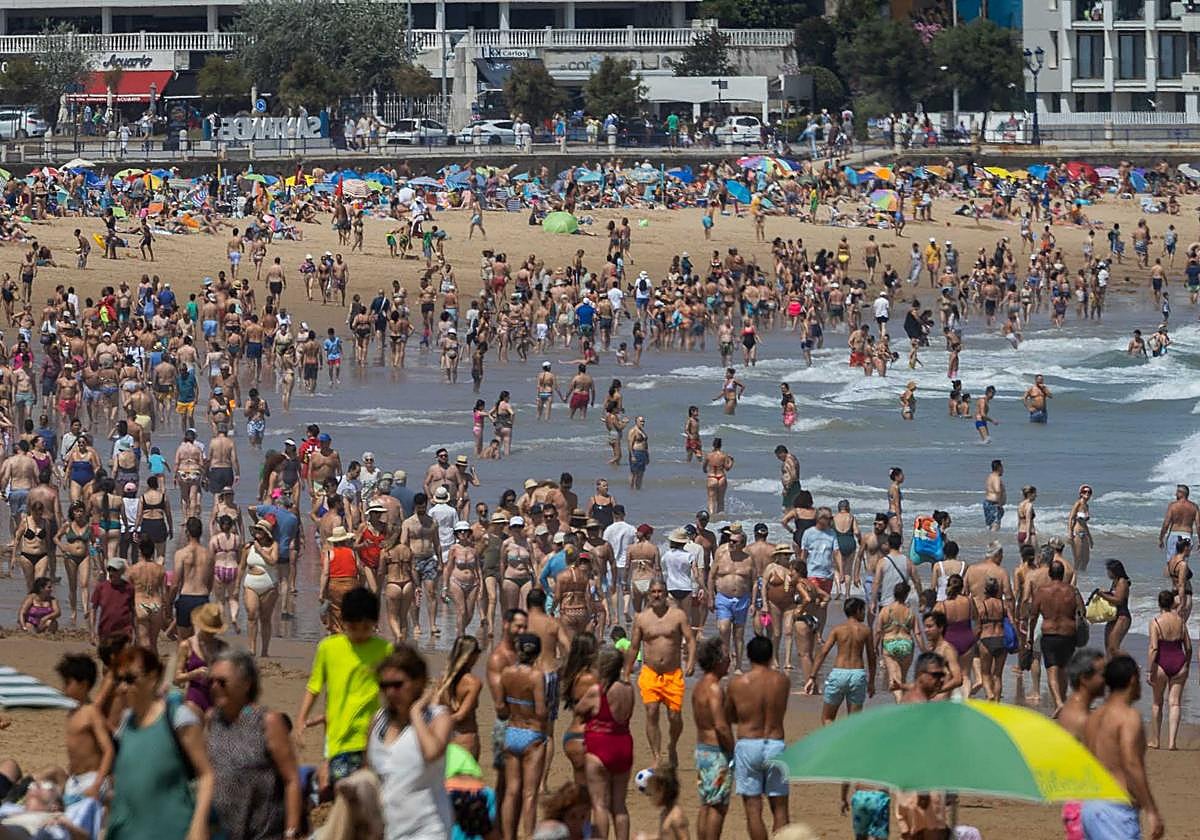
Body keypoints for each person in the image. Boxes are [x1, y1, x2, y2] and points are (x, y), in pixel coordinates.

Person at [106, 646, 215, 840]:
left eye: (130, 679)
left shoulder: (177, 718)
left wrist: (198, 827)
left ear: (153, 677)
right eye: (118, 680)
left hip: (172, 830)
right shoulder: (127, 723)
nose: (122, 688)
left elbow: (206, 775)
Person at [297, 587, 393, 790]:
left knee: (370, 791)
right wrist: (300, 720)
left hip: (373, 735)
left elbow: (395, 690)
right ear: (343, 622)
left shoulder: (385, 650)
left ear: (375, 623)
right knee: (340, 789)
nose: (359, 634)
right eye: (354, 627)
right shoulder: (328, 647)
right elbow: (314, 687)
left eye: (366, 628)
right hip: (339, 736)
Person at [208, 648, 303, 840]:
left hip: (263, 833)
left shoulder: (268, 722)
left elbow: (291, 779)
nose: (214, 687)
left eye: (222, 682)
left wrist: (291, 831)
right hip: (221, 833)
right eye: (211, 681)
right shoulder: (213, 719)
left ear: (246, 684)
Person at [369, 645, 456, 840]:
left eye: (398, 685)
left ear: (419, 682)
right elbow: (370, 775)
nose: (390, 692)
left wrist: (415, 713)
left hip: (429, 828)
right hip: (388, 828)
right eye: (384, 686)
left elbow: (432, 753)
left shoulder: (438, 718)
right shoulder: (378, 720)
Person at [1082, 655, 1165, 839]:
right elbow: (1131, 762)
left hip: (1090, 806)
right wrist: (1151, 810)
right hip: (1115, 808)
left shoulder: (1093, 718)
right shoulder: (1128, 717)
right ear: (1133, 680)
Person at [624, 578, 696, 769]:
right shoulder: (641, 618)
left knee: (675, 716)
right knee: (652, 711)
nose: (657, 595)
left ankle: (672, 745)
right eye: (653, 592)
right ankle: (656, 756)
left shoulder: (678, 615)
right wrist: (626, 671)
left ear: (666, 594)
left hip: (673, 673)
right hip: (650, 673)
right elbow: (633, 647)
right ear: (649, 594)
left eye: (660, 592)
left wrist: (690, 662)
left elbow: (690, 639)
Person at [728, 635, 790, 840]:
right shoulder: (782, 681)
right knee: (780, 808)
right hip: (775, 743)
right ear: (771, 655)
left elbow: (729, 715)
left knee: (753, 810)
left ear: (748, 656)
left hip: (749, 743)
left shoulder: (738, 684)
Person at [497, 633, 548, 840]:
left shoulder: (506, 673)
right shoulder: (537, 676)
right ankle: (528, 835)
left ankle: (509, 836)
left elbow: (500, 707)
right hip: (532, 734)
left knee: (511, 791)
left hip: (511, 732)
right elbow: (541, 711)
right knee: (529, 793)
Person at [579, 647, 633, 840]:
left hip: (600, 745)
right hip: (623, 744)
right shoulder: (628, 688)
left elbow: (579, 708)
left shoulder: (597, 691)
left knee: (599, 804)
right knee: (619, 805)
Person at [1057, 647, 1106, 840]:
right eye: (1102, 674)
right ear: (1085, 678)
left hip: (1077, 803)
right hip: (1086, 807)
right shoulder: (1082, 719)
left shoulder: (1070, 709)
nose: (1106, 680)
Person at [55, 653, 115, 806]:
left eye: (68, 683)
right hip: (74, 780)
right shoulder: (72, 712)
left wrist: (97, 784)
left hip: (92, 779)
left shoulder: (91, 712)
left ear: (83, 684)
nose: (64, 688)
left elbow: (108, 750)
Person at [805, 597, 875, 722]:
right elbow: (871, 657)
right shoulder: (866, 630)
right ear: (857, 611)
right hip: (857, 674)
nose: (864, 613)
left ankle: (833, 741)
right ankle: (850, 741)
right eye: (863, 610)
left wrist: (812, 677)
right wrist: (871, 682)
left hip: (839, 673)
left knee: (827, 718)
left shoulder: (838, 629)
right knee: (854, 721)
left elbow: (823, 652)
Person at [691, 636, 733, 840]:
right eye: (726, 657)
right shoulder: (715, 688)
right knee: (718, 806)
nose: (730, 660)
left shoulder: (699, 686)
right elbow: (721, 726)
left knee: (706, 803)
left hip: (702, 750)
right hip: (716, 752)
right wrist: (733, 749)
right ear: (717, 661)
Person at [1029, 561, 1085, 712]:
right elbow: (1082, 611)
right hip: (1068, 634)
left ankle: (1059, 702)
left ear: (1050, 574)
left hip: (1049, 634)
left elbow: (1033, 615)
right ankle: (1062, 699)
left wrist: (1029, 636)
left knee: (1052, 670)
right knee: (1064, 668)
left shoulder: (1042, 591)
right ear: (1062, 574)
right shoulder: (1073, 591)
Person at [1147, 589, 1190, 751]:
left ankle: (1156, 741)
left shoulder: (1156, 622)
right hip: (1179, 661)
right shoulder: (1181, 621)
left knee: (1157, 702)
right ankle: (1172, 742)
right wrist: (1187, 664)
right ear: (1173, 603)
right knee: (1175, 703)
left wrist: (1149, 670)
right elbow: (1189, 647)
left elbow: (1154, 649)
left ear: (1159, 603)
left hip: (1161, 664)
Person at [1095, 558, 1131, 656]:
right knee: (1108, 647)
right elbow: (1114, 595)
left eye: (1109, 571)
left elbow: (1119, 600)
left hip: (1122, 617)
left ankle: (1129, 664)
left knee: (1114, 647)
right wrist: (1105, 592)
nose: (1107, 573)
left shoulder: (1122, 582)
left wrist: (1103, 595)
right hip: (1113, 616)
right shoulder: (1115, 581)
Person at [642, 768, 688, 840]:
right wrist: (646, 837)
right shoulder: (665, 813)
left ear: (661, 791)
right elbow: (663, 836)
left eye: (652, 793)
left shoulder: (676, 816)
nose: (651, 797)